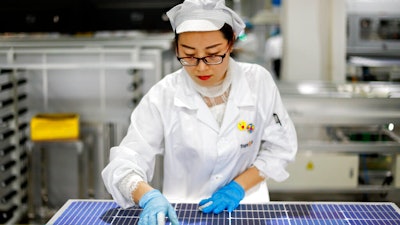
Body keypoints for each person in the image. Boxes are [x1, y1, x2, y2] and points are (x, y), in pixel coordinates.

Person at [101, 0, 297, 224]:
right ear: (176, 49)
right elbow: (125, 162)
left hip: (247, 209)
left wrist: (239, 187)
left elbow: (281, 148)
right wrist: (147, 195)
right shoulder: (164, 95)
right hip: (183, 213)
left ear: (231, 43)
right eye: (189, 55)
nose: (201, 67)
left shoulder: (257, 82)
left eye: (213, 54)